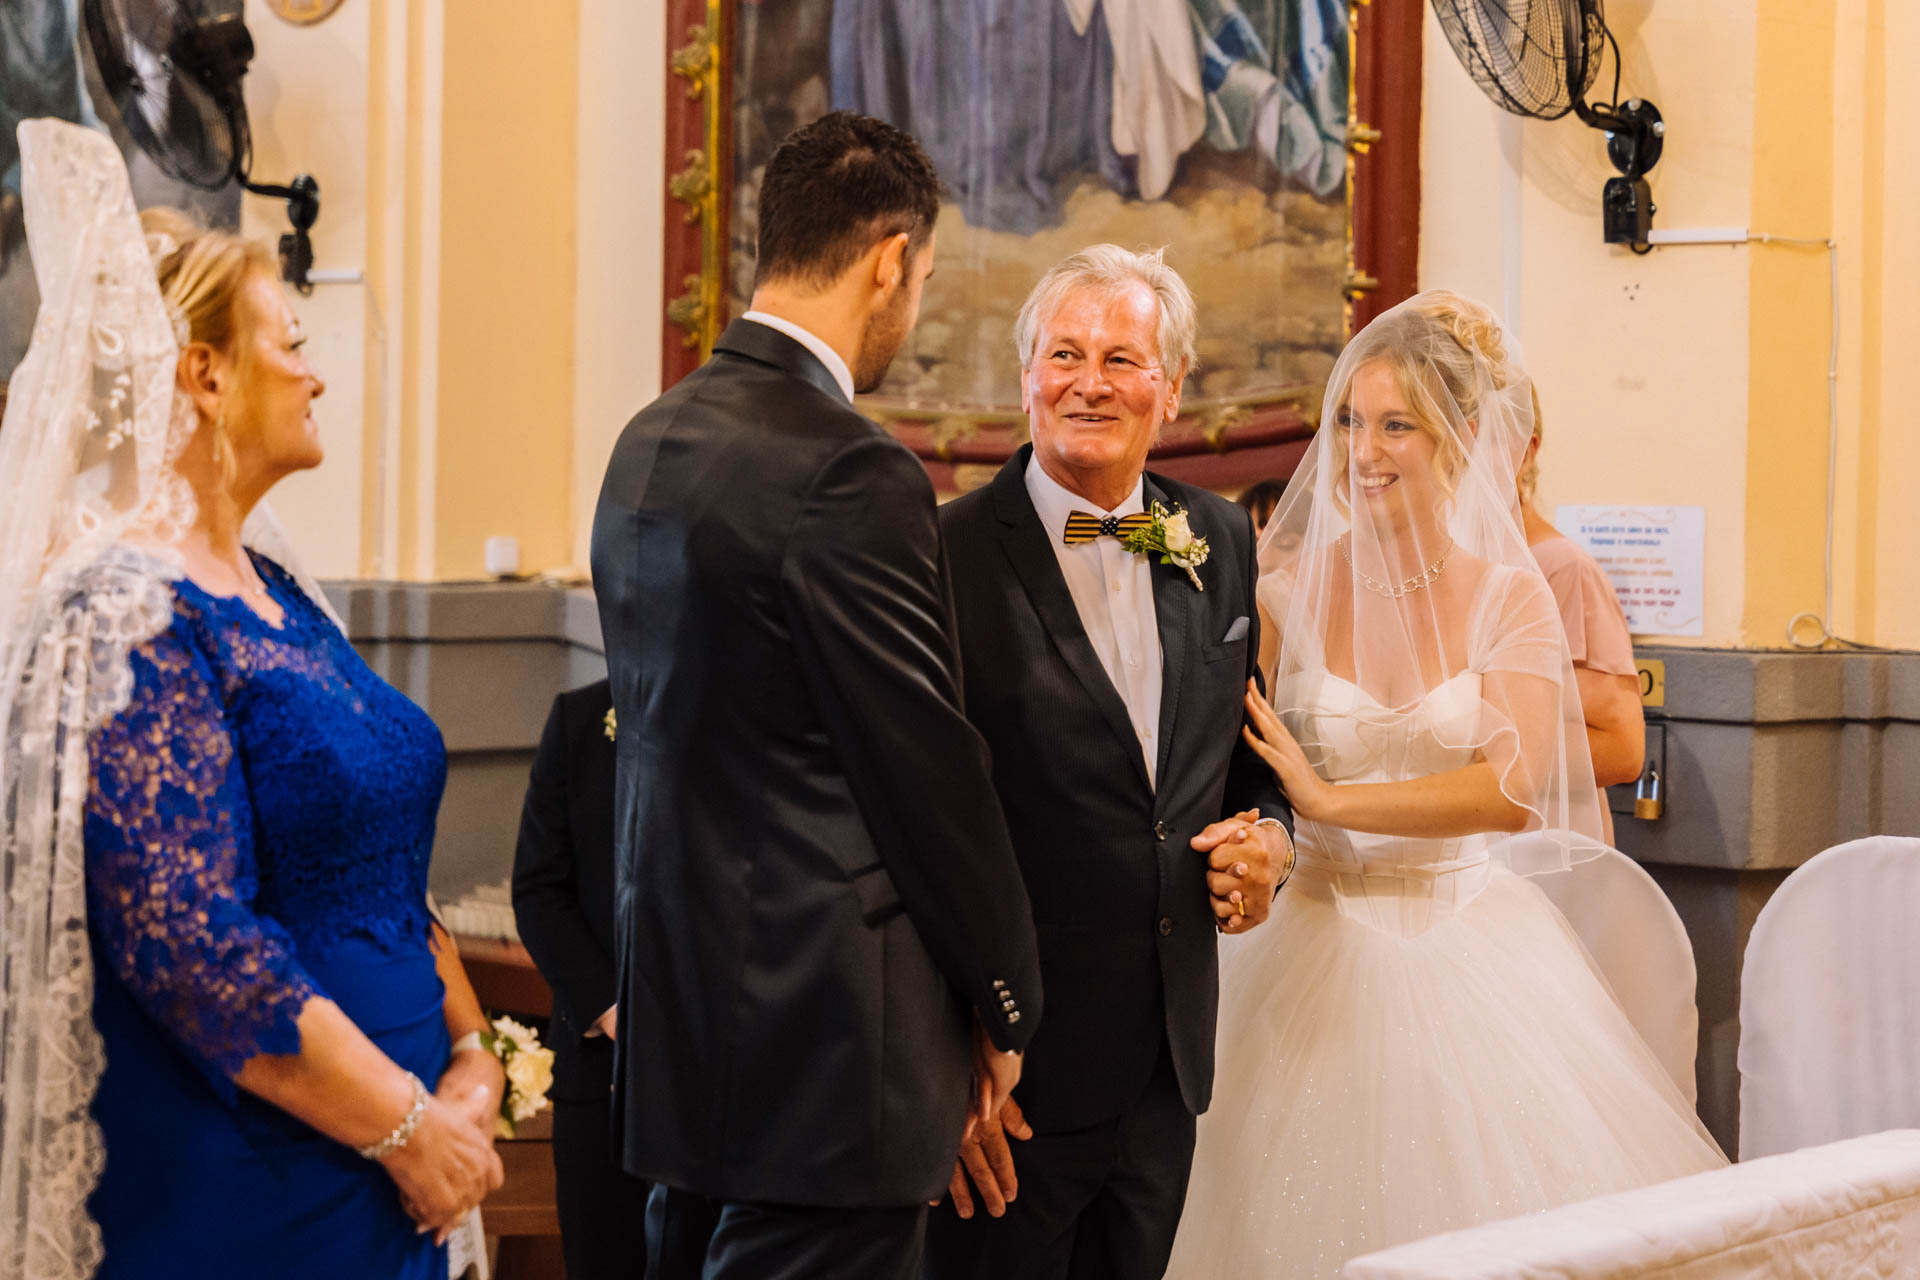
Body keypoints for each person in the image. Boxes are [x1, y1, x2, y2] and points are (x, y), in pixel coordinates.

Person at [0, 121, 503, 1280]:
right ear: (206, 371)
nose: (316, 369)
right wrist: (404, 1121)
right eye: (294, 339)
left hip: (393, 1157)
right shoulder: (123, 604)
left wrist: (474, 1058)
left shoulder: (279, 591)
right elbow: (183, 933)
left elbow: (378, 858)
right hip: (256, 1176)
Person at [1165, 292, 1725, 1277]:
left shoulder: (1512, 594)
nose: (1361, 451)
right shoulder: (1284, 587)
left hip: (1462, 937)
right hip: (1311, 933)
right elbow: (1236, 754)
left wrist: (1331, 802)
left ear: (1461, 438)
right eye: (1347, 422)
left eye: (1396, 426)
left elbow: (1507, 789)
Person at [589, 111, 1043, 1280]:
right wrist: (1005, 1001)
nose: (914, 308)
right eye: (924, 278)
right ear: (891, 258)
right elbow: (922, 767)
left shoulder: (649, 439)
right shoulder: (850, 463)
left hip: (683, 1027)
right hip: (827, 1053)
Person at [925, 245, 1293, 1280]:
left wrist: (1272, 840)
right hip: (1009, 1078)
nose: (1091, 381)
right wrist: (943, 1058)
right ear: (1027, 376)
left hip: (1165, 1067)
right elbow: (904, 823)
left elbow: (1243, 766)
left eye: (1123, 357)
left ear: (1170, 389)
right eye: (1065, 353)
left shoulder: (1218, 537)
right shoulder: (942, 556)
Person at [511, 678, 651, 1280]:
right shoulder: (581, 718)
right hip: (603, 1079)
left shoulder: (743, 706)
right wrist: (616, 1014)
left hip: (727, 1083)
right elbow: (539, 890)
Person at [1512, 386, 1645, 840]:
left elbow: (1622, 749)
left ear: (1526, 453)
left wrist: (1470, 751)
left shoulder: (1563, 571)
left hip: (1536, 845)